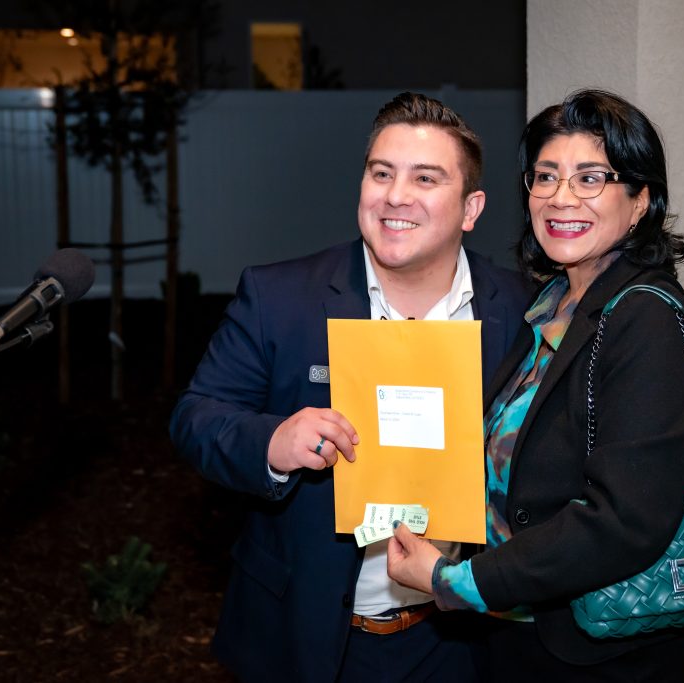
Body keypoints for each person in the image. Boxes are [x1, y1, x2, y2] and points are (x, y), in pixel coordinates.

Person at [170, 92, 531, 683]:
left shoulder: (522, 310)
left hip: (467, 642)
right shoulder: (279, 299)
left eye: (426, 177)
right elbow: (194, 417)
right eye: (381, 172)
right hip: (311, 638)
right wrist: (271, 443)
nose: (395, 195)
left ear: (471, 209)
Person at [387, 89, 684, 681]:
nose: (562, 197)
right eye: (546, 176)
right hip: (519, 634)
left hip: (600, 652)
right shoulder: (553, 304)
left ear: (640, 201)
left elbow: (625, 520)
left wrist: (457, 581)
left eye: (591, 178)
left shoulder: (645, 317)